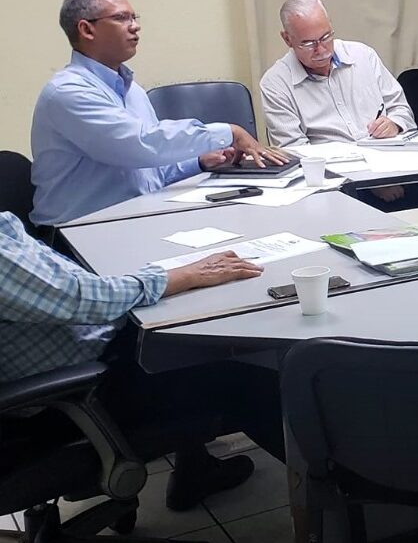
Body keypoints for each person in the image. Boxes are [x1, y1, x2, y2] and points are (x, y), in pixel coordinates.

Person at [0, 211, 285, 510]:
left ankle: (197, 469)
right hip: (67, 402)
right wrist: (184, 275)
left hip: (72, 368)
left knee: (193, 342)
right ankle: (315, 503)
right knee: (242, 372)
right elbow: (81, 299)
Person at [30, 0, 284, 227]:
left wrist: (199, 162)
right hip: (77, 233)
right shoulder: (68, 92)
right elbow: (141, 144)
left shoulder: (131, 90)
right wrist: (229, 132)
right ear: (87, 30)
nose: (135, 26)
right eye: (121, 18)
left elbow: (150, 170)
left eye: (134, 17)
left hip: (133, 219)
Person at [260, 0, 418, 210]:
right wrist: (367, 182)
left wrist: (394, 123)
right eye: (309, 43)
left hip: (393, 165)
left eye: (326, 37)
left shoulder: (363, 56)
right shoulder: (276, 84)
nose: (321, 49)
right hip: (339, 183)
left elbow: (401, 109)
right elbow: (297, 155)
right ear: (287, 39)